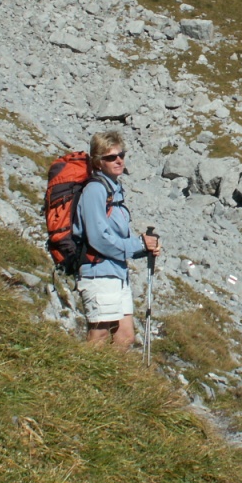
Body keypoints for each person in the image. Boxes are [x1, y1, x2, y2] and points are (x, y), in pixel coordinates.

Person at [73, 130, 161, 349]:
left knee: (125, 337)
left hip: (116, 272)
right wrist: (139, 244)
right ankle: (80, 370)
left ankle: (105, 373)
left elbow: (117, 238)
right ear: (98, 161)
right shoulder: (95, 190)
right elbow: (98, 238)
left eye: (121, 155)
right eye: (111, 157)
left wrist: (144, 248)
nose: (119, 160)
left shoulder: (114, 190)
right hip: (98, 271)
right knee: (99, 335)